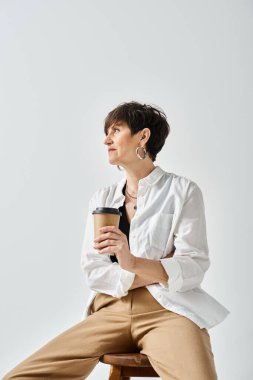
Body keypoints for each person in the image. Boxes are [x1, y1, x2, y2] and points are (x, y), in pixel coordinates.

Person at [3, 101, 230, 379]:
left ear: (142, 136)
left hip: (168, 312)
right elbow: (94, 271)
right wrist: (159, 269)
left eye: (116, 130)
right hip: (111, 310)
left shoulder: (182, 192)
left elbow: (193, 266)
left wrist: (131, 261)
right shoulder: (102, 199)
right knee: (21, 377)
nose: (106, 140)